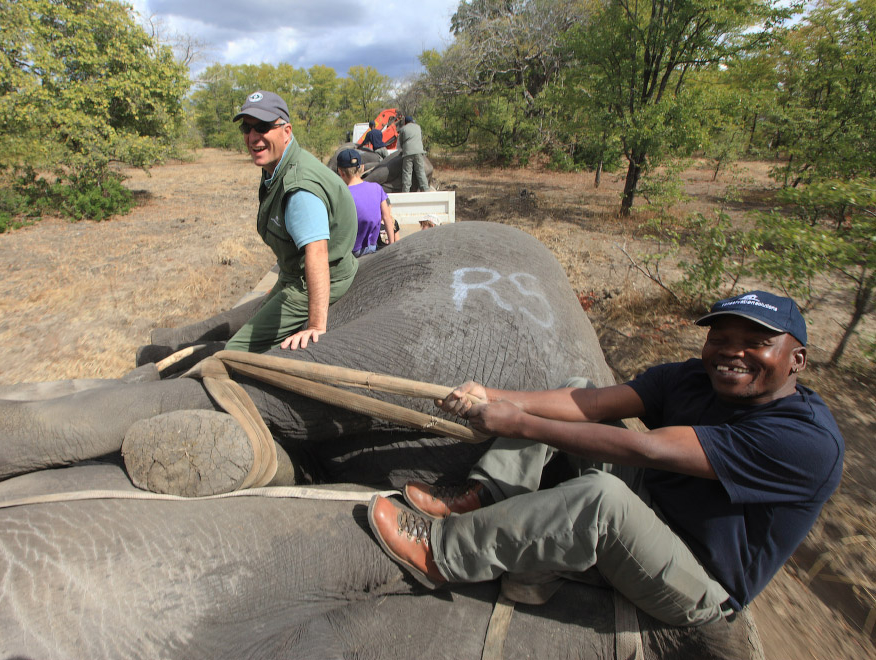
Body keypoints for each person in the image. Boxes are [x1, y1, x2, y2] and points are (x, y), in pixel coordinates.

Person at [367, 290, 843, 627]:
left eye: (756, 342)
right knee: (579, 388)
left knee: (602, 499)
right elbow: (590, 405)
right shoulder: (693, 378)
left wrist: (518, 423)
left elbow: (650, 448)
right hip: (653, 500)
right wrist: (492, 396)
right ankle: (483, 495)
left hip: (696, 577)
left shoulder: (804, 441)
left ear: (796, 360)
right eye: (719, 338)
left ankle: (442, 551)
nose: (731, 352)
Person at [227, 91, 359, 352]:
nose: (253, 137)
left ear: (286, 131)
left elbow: (317, 252)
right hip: (292, 276)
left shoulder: (298, 188)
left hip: (317, 281)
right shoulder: (278, 168)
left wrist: (315, 325)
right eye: (247, 128)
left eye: (263, 127)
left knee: (233, 352)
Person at [335, 148, 398, 257]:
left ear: (340, 171)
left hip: (350, 251)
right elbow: (387, 218)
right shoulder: (377, 188)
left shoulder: (341, 194)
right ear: (362, 168)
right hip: (372, 247)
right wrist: (392, 245)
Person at [397, 116, 430, 193]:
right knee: (420, 171)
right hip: (419, 152)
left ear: (405, 122)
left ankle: (406, 191)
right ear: (412, 121)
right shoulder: (418, 127)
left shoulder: (403, 129)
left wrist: (403, 149)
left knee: (407, 172)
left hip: (408, 153)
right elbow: (420, 138)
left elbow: (401, 142)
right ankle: (425, 189)